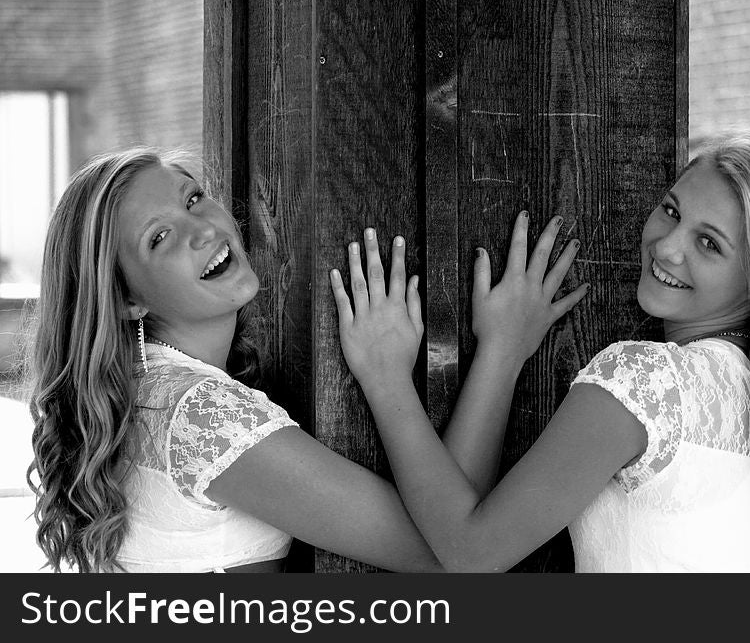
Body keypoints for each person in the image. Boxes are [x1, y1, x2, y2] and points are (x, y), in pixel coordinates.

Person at [332, 132, 750, 572]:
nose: (666, 246)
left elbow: (471, 555)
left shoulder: (646, 381)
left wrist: (386, 377)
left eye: (709, 243)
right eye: (670, 210)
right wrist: (503, 349)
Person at [26, 147, 588, 573]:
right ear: (127, 299)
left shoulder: (141, 393)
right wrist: (418, 370)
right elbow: (452, 554)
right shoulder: (199, 416)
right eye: (160, 237)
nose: (202, 229)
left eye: (193, 198)